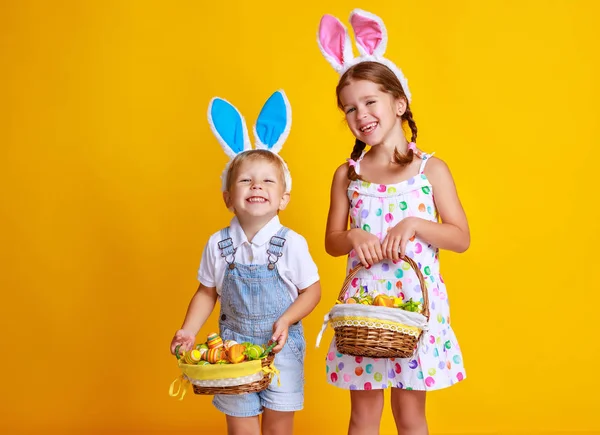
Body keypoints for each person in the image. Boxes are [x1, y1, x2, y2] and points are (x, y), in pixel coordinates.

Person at [317, 9, 470, 435]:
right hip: (364, 312)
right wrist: (352, 234)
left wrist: (416, 225)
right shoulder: (348, 174)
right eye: (349, 108)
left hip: (414, 313)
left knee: (410, 416)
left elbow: (460, 237)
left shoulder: (430, 171)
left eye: (370, 102)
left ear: (398, 103)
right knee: (363, 416)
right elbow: (331, 241)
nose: (360, 114)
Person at [170, 90, 321, 435]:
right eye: (245, 180)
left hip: (280, 346)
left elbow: (312, 291)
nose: (257, 185)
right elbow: (207, 292)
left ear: (283, 197)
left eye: (268, 180)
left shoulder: (291, 244)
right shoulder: (218, 244)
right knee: (241, 428)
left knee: (278, 427)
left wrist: (287, 319)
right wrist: (188, 331)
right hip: (232, 349)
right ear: (228, 197)